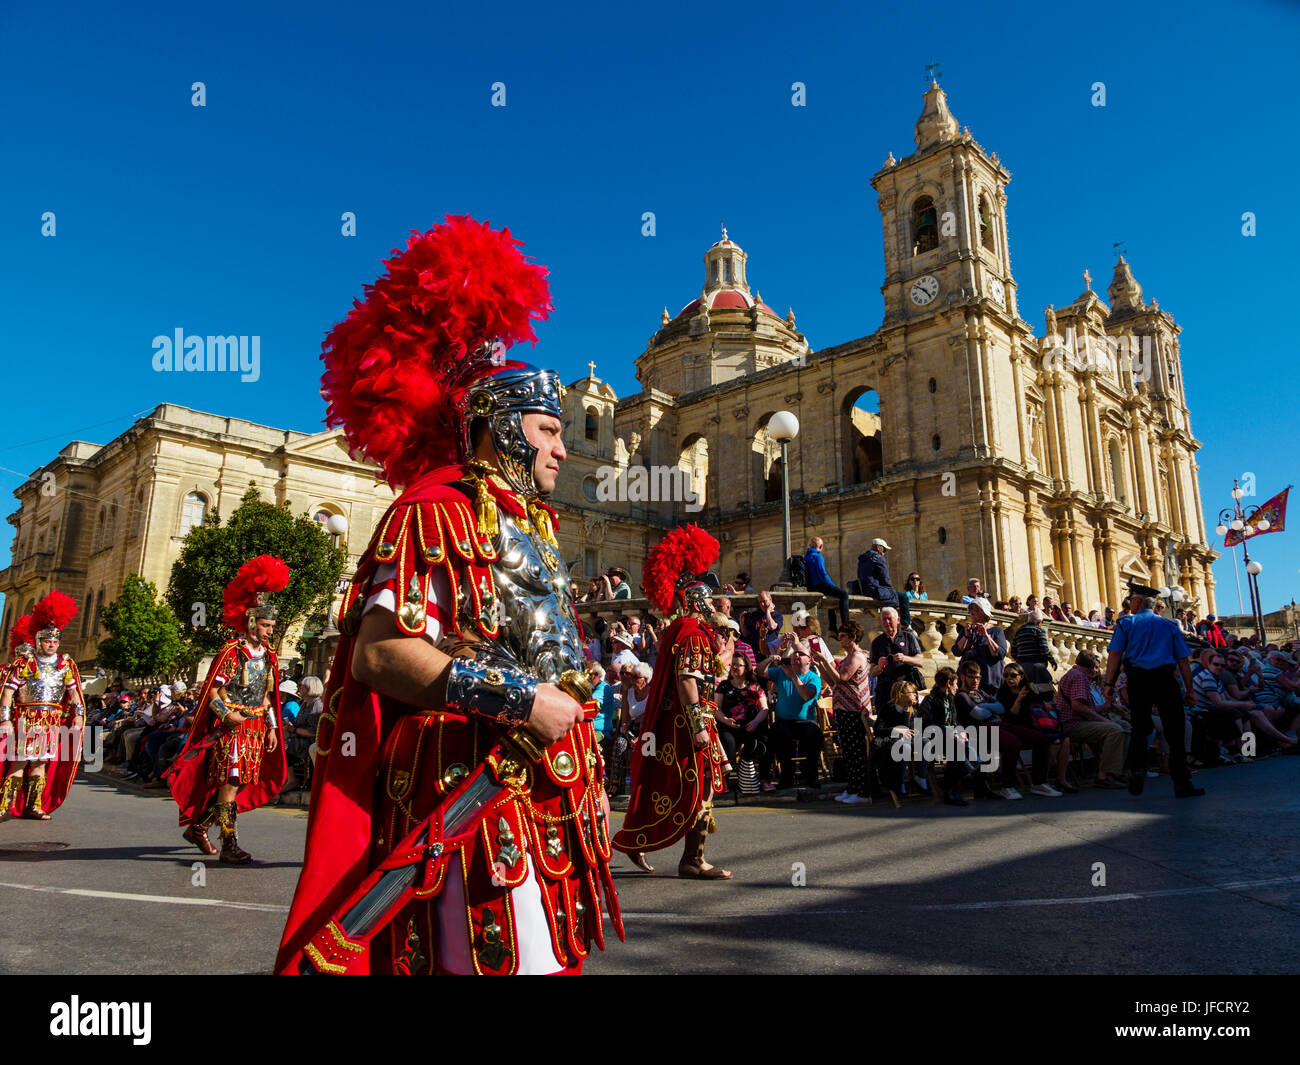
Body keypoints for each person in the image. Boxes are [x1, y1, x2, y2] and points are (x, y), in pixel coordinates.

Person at [277, 218, 622, 975]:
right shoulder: (434, 510)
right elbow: (377, 654)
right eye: (547, 429)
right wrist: (521, 698)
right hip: (466, 792)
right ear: (500, 427)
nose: (564, 448)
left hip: (539, 796)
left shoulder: (534, 526)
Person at [614, 524, 731, 880]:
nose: (712, 605)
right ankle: (693, 860)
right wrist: (699, 727)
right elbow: (686, 682)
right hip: (690, 725)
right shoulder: (693, 634)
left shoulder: (680, 631)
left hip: (684, 722)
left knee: (680, 784)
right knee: (700, 787)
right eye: (707, 600)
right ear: (695, 602)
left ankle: (643, 842)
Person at [166, 555, 289, 862]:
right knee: (231, 782)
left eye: (272, 625)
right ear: (250, 622)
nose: (269, 631)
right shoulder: (233, 652)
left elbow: (266, 697)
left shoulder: (270, 656)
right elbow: (213, 694)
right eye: (265, 624)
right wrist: (226, 714)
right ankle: (228, 843)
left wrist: (272, 726)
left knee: (241, 782)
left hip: (256, 729)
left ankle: (200, 827)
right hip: (232, 728)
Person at [1103, 584, 1206, 798]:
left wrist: (1109, 684)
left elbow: (1114, 655)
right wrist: (1189, 690)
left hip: (1138, 679)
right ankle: (1181, 783)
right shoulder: (1169, 627)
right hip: (1165, 679)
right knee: (1175, 731)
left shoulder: (1125, 624)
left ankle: (1137, 769)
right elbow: (1183, 661)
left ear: (1139, 601)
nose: (1129, 603)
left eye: (1131, 600)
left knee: (1140, 727)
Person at [0, 592, 83, 819]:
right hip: (28, 719)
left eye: (55, 641)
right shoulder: (26, 662)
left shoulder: (65, 664)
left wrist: (78, 715)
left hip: (52, 720)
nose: (52, 645)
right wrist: (5, 719)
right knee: (19, 761)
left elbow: (74, 692)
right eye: (47, 641)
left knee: (40, 763)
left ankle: (33, 806)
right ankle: (4, 806)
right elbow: (8, 691)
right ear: (38, 641)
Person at [1057, 650, 1129, 790]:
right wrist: (1104, 721)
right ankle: (1104, 775)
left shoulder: (1075, 674)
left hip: (1078, 721)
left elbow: (1086, 707)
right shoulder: (1079, 677)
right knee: (1115, 730)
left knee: (1125, 726)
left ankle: (1116, 770)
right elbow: (1078, 707)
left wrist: (1107, 707)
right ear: (1090, 666)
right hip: (1073, 724)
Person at [760, 639, 824, 790]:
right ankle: (786, 778)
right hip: (784, 722)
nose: (796, 656)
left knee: (815, 736)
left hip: (805, 723)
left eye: (801, 654)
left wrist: (793, 677)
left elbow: (807, 696)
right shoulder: (782, 672)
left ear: (809, 660)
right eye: (795, 653)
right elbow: (760, 671)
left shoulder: (813, 677)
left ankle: (811, 777)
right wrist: (770, 658)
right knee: (777, 735)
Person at [822, 620, 870, 804]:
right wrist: (820, 664)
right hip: (843, 708)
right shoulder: (848, 656)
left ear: (853, 638)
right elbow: (833, 681)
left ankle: (861, 791)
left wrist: (825, 662)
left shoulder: (857, 656)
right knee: (848, 752)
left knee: (856, 751)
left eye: (843, 636)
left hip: (854, 709)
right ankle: (852, 788)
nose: (839, 639)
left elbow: (841, 678)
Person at [869, 606, 924, 705]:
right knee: (885, 719)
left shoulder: (909, 637)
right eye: (884, 619)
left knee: (916, 718)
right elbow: (872, 672)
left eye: (889, 618)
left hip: (907, 690)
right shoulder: (876, 642)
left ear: (898, 620)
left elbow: (921, 661)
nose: (887, 622)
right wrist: (879, 667)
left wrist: (904, 658)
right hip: (885, 691)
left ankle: (915, 721)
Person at [953, 597, 1008, 691]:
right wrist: (965, 636)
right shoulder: (967, 630)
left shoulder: (996, 631)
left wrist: (986, 636)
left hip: (988, 680)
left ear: (985, 612)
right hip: (967, 682)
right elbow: (956, 651)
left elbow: (1000, 653)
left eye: (977, 610)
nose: (972, 613)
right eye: (971, 611)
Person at [857, 537, 910, 628]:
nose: (884, 553)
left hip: (864, 590)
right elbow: (885, 577)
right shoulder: (878, 558)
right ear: (878, 547)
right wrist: (890, 589)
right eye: (884, 550)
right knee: (903, 597)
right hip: (875, 591)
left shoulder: (862, 559)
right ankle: (906, 625)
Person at [803, 536, 849, 633]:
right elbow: (823, 575)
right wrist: (833, 586)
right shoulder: (818, 556)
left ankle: (833, 628)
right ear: (821, 546)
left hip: (812, 587)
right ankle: (846, 624)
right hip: (820, 585)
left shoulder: (806, 557)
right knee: (844, 594)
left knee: (831, 597)